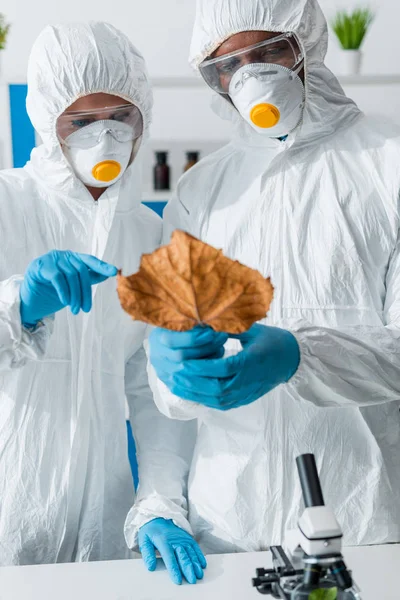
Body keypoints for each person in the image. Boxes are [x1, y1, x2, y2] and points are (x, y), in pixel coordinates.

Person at [148, 0, 400, 555]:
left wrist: (300, 356)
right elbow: (176, 384)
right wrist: (167, 367)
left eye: (266, 53)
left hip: (367, 522)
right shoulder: (200, 192)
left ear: (305, 40)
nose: (248, 77)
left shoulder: (389, 162)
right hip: (230, 525)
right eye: (226, 66)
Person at [0, 21, 206, 585]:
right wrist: (19, 307)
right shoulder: (6, 203)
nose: (105, 137)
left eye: (121, 118)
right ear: (48, 122)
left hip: (105, 517)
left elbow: (155, 389)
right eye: (83, 122)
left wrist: (161, 504)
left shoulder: (149, 233)